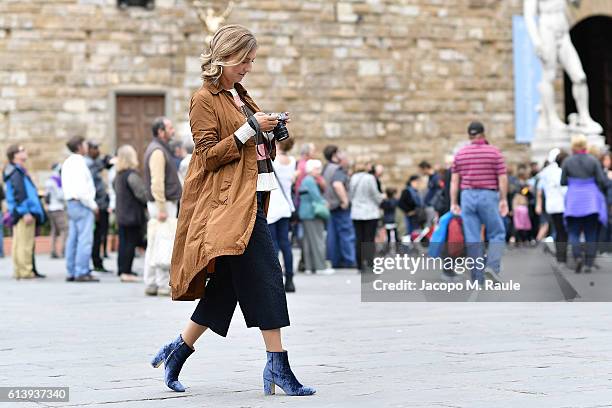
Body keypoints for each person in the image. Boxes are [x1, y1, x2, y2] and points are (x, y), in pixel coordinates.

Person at [153, 25, 315, 396]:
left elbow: (253, 145)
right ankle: (278, 365)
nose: (248, 68)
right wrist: (249, 130)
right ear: (224, 57)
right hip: (229, 206)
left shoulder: (240, 94)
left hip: (253, 196)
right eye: (244, 61)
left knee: (226, 287)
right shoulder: (204, 98)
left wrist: (270, 132)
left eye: (252, 61)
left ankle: (178, 349)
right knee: (268, 277)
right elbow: (207, 156)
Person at [450, 121, 508, 284]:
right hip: (488, 195)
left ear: (469, 135)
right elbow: (502, 178)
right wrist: (503, 199)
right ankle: (492, 266)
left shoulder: (461, 154)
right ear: (483, 133)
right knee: (497, 233)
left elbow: (454, 181)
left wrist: (454, 202)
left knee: (473, 237)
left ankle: (477, 277)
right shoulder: (494, 153)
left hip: (467, 196)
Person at [143, 116, 182, 296]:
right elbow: (157, 182)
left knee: (155, 241)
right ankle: (160, 283)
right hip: (163, 203)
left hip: (162, 203)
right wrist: (162, 208)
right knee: (163, 243)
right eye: (169, 128)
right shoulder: (158, 151)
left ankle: (151, 283)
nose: (172, 130)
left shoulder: (159, 149)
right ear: (161, 132)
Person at [561, 135, 608, 273]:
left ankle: (577, 257)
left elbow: (563, 181)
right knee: (591, 233)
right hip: (591, 200)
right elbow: (601, 180)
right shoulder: (593, 160)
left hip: (574, 200)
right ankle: (588, 263)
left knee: (574, 232)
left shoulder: (568, 161)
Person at [3, 144, 46, 279]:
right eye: (22, 151)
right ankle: (25, 271)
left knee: (19, 242)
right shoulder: (16, 172)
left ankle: (20, 270)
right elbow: (19, 194)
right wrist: (25, 211)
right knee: (25, 243)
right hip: (24, 212)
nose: (25, 152)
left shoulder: (15, 171)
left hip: (21, 211)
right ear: (15, 155)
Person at [62, 136, 99, 282]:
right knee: (85, 239)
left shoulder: (67, 162)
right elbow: (83, 189)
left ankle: (71, 270)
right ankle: (82, 271)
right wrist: (93, 205)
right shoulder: (79, 163)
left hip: (71, 203)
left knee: (73, 238)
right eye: (85, 144)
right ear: (79, 146)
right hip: (82, 203)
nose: (87, 147)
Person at [267, 138, 297, 292]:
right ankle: (290, 278)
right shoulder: (292, 161)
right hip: (286, 206)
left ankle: (276, 278)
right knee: (286, 244)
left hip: (272, 206)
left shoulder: (274, 161)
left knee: (274, 245)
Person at [113, 145, 147, 283]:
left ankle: (122, 269)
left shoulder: (118, 176)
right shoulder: (131, 175)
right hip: (132, 215)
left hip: (122, 214)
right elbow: (141, 194)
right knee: (130, 244)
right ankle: (126, 272)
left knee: (124, 243)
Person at [322, 145, 356, 268]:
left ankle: (335, 261)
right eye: (340, 152)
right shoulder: (338, 169)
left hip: (330, 205)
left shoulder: (326, 168)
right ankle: (350, 260)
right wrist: (345, 200)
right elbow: (337, 184)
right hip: (340, 206)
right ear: (335, 155)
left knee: (333, 234)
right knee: (346, 233)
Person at [298, 159, 333, 275]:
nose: (319, 171)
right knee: (318, 240)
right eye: (317, 169)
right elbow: (316, 197)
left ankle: (309, 267)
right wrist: (325, 203)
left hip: (305, 213)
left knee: (308, 241)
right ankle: (320, 267)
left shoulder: (305, 180)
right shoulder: (310, 181)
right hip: (312, 213)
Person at [349, 161, 383, 272]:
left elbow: (350, 194)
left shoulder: (353, 178)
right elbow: (375, 194)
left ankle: (359, 264)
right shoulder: (370, 178)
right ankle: (369, 262)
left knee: (359, 238)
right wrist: (381, 200)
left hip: (356, 212)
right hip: (370, 211)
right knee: (369, 238)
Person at [536, 149, 568, 263]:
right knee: (563, 232)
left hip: (551, 205)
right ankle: (562, 256)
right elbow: (563, 188)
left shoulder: (546, 171)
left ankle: (560, 255)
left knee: (558, 230)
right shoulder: (558, 171)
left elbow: (540, 187)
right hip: (561, 205)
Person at [86, 141, 113, 273]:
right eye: (95, 148)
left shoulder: (94, 163)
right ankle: (96, 262)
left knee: (100, 235)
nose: (98, 151)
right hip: (97, 205)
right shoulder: (89, 164)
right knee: (97, 236)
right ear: (89, 149)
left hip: (101, 204)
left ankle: (98, 261)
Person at [44, 163, 67, 259]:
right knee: (65, 230)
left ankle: (53, 251)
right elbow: (60, 195)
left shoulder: (49, 180)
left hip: (51, 208)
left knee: (54, 230)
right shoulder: (57, 181)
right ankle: (63, 251)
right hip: (58, 208)